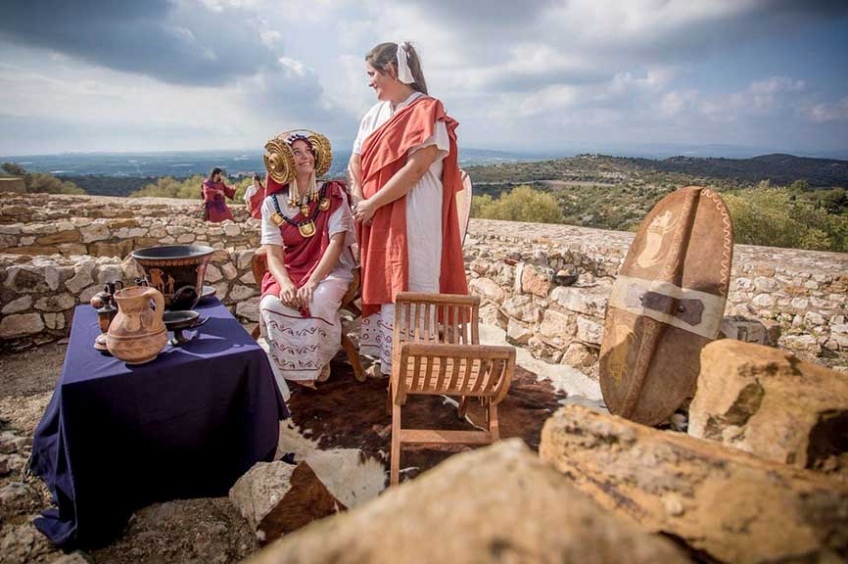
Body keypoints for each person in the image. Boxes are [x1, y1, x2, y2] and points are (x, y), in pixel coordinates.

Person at [349, 41, 468, 377]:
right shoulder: (373, 115)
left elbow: (416, 170)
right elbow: (354, 162)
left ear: (391, 70)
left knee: (413, 283)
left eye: (372, 74)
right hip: (378, 217)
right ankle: (391, 365)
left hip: (415, 217)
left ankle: (413, 368)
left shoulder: (428, 110)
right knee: (388, 284)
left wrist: (371, 203)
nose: (369, 82)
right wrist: (360, 198)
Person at [258, 131, 356, 395]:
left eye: (308, 151)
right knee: (271, 303)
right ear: (284, 162)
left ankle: (316, 363)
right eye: (297, 152)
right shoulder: (272, 204)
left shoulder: (332, 194)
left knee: (318, 301)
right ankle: (293, 368)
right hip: (289, 271)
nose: (306, 157)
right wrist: (287, 284)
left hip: (329, 271)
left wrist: (312, 283)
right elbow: (274, 254)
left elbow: (336, 243)